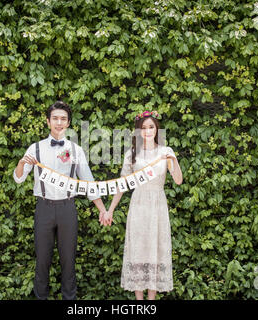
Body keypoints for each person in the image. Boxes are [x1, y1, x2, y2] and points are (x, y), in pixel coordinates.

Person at [13, 100, 108, 300]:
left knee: (68, 261)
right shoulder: (35, 148)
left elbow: (89, 182)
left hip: (67, 209)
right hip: (44, 208)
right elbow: (19, 178)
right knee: (42, 261)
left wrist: (102, 209)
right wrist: (21, 163)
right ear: (48, 122)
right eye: (55, 118)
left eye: (63, 119)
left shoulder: (76, 150)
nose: (59, 122)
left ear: (68, 123)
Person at [104, 110, 183, 300]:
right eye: (143, 128)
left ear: (157, 129)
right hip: (138, 204)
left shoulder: (166, 152)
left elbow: (178, 181)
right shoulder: (132, 154)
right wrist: (110, 209)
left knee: (156, 248)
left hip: (158, 205)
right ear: (138, 131)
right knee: (138, 250)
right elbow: (122, 184)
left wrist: (174, 161)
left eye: (151, 127)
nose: (147, 131)